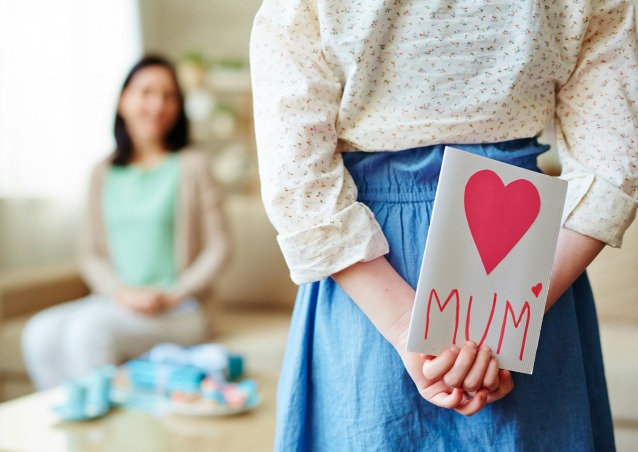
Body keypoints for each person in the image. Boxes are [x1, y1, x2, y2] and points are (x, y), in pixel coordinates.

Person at [250, 0, 638, 450]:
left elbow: (296, 174)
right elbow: (614, 163)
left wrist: (404, 325)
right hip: (526, 268)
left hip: (373, 278)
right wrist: (502, 325)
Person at [22, 55, 228, 390]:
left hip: (180, 309)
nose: (157, 104)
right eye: (146, 92)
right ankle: (73, 426)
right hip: (118, 302)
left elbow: (220, 248)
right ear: (123, 100)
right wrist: (120, 293)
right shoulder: (101, 173)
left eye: (169, 95)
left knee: (88, 331)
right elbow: (89, 253)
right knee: (38, 333)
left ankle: (107, 434)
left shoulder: (192, 166)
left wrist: (173, 294)